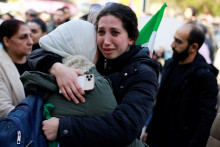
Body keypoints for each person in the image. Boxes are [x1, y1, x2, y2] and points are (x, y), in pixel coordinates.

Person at [28, 3, 159, 147]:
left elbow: (125, 127)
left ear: (131, 38)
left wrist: (64, 127)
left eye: (115, 32)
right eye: (101, 32)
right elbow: (38, 52)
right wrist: (57, 68)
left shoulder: (143, 73)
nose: (106, 41)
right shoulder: (96, 54)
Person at [142, 23, 219, 147]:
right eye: (174, 39)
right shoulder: (170, 65)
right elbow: (160, 103)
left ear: (193, 47)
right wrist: (150, 130)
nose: (172, 44)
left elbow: (205, 120)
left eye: (178, 42)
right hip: (157, 138)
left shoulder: (205, 77)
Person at [0, 19, 33, 119]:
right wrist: (37, 118)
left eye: (30, 36)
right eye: (23, 37)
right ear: (7, 41)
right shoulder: (2, 66)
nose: (30, 42)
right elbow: (4, 109)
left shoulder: (36, 61)